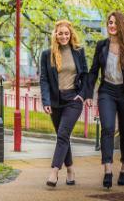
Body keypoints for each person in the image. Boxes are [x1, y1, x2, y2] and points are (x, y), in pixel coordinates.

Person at [85, 11, 124, 189]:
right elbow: (94, 71)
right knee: (107, 128)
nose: (112, 25)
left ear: (121, 25)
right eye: (109, 22)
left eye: (115, 23)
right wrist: (88, 93)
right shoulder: (102, 45)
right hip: (107, 92)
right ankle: (108, 170)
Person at [40, 20, 89, 187]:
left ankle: (54, 171)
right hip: (55, 101)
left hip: (73, 100)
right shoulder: (47, 54)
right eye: (60, 33)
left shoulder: (79, 51)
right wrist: (46, 101)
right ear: (55, 34)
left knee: (62, 134)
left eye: (66, 33)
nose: (63, 36)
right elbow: (44, 79)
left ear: (71, 34)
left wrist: (82, 95)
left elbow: (86, 76)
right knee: (63, 136)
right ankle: (70, 169)